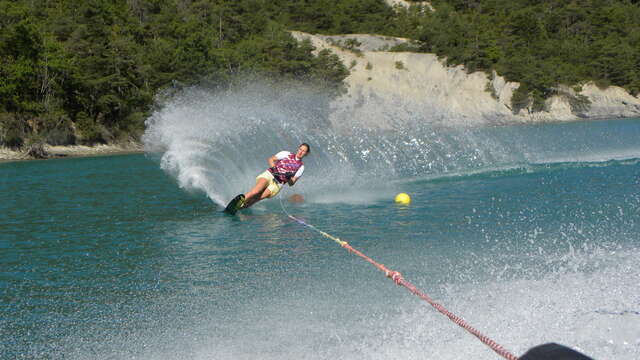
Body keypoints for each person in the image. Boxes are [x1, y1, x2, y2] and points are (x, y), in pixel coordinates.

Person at [232, 143, 310, 211]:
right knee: (256, 191)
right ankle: (235, 204)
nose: (301, 152)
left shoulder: (301, 167)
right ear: (298, 148)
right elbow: (271, 159)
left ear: (306, 154)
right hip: (270, 174)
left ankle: (240, 209)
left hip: (277, 184)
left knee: (257, 199)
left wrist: (288, 177)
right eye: (300, 149)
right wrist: (275, 169)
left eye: (303, 151)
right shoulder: (286, 154)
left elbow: (292, 183)